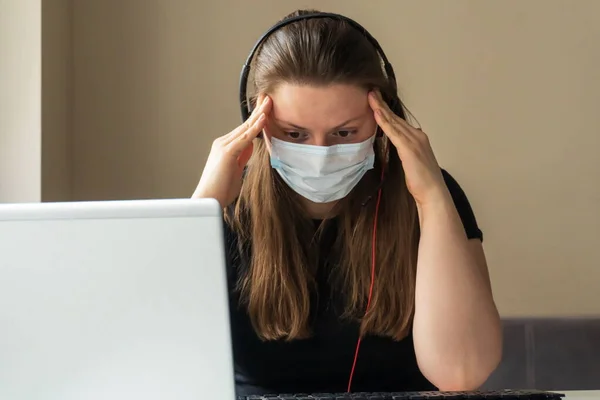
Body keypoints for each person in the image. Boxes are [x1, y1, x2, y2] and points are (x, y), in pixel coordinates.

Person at [192, 9, 502, 396]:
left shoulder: (432, 196)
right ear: (256, 120)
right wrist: (202, 208)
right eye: (295, 133)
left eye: (344, 132)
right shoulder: (227, 205)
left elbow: (461, 372)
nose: (321, 153)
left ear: (384, 118)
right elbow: (151, 351)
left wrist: (433, 199)